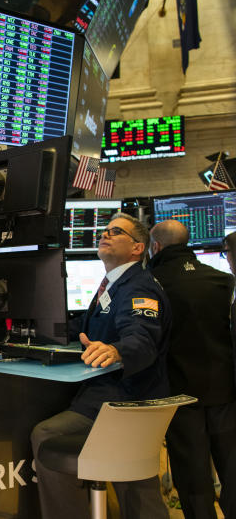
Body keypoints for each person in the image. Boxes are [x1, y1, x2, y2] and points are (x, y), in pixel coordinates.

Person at [31, 212, 171, 519]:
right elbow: (85, 325)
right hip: (107, 396)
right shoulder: (113, 283)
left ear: (138, 248)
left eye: (115, 231)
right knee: (136, 487)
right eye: (104, 230)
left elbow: (142, 339)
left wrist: (116, 350)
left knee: (48, 436)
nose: (104, 234)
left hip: (125, 401)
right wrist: (36, 331)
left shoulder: (139, 288)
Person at [150, 220, 236, 518]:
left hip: (180, 395)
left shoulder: (152, 283)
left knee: (193, 481)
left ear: (155, 247)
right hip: (224, 389)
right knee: (233, 472)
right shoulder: (223, 279)